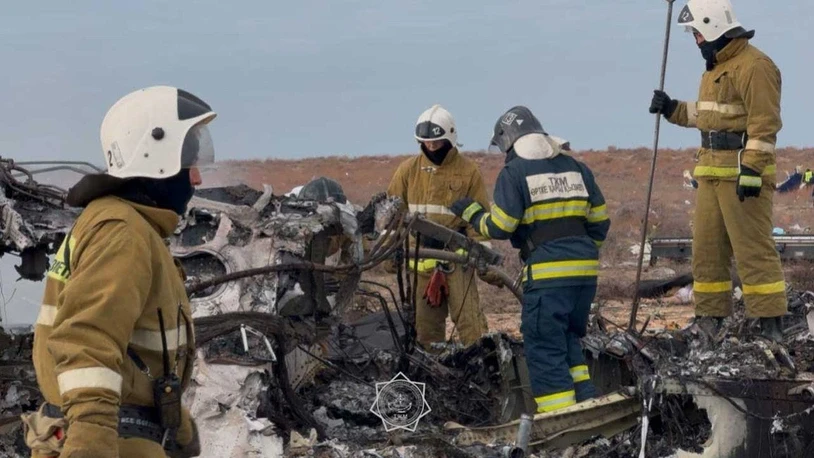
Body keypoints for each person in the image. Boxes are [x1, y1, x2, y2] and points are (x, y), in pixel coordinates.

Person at [24, 86, 216, 458]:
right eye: (189, 164)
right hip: (113, 442)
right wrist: (90, 443)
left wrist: (175, 422)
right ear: (156, 156)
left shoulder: (126, 225)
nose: (197, 180)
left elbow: (136, 355)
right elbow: (88, 341)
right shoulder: (123, 232)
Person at [450, 106, 610, 413]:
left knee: (544, 346)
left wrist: (471, 212)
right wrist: (580, 255)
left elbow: (501, 225)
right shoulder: (577, 168)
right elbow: (600, 223)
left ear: (508, 142)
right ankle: (588, 403)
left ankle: (560, 420)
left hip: (548, 277)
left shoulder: (515, 172)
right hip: (585, 276)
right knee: (567, 339)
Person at [649, 0, 786, 343]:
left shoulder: (755, 66)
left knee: (753, 250)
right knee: (707, 252)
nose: (696, 40)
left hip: (742, 176)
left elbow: (764, 123)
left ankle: (770, 326)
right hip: (710, 174)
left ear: (712, 27)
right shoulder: (714, 69)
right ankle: (709, 320)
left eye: (697, 32)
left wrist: (752, 170)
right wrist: (672, 109)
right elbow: (706, 116)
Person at [386, 104, 494, 349]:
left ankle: (481, 372)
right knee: (425, 333)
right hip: (420, 265)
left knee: (470, 326)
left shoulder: (468, 172)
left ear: (450, 138)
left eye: (437, 142)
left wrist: (483, 261)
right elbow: (392, 216)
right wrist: (390, 253)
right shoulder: (407, 171)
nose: (431, 147)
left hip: (457, 262)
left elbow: (478, 221)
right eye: (426, 143)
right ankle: (434, 381)